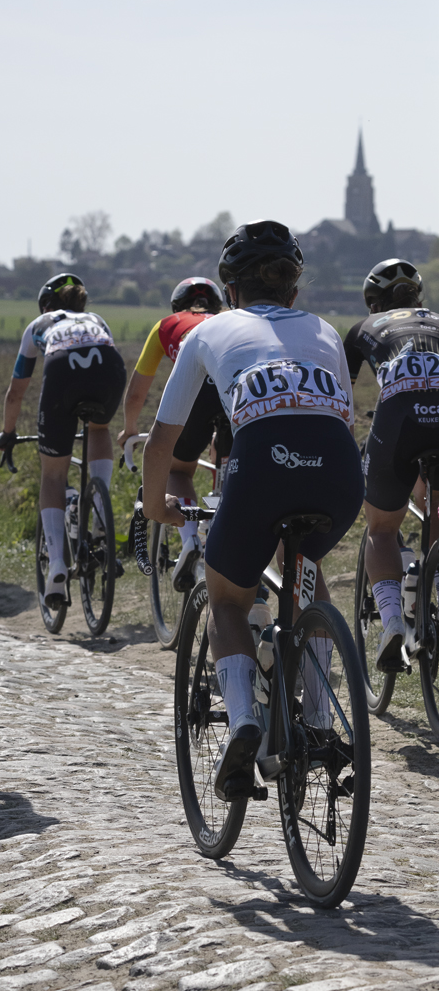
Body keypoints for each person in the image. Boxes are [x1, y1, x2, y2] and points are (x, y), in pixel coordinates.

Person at [142, 220, 363, 798]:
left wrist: (153, 505)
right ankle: (318, 721)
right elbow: (343, 417)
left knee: (227, 599)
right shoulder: (324, 330)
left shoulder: (209, 331)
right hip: (338, 471)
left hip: (263, 462)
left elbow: (162, 440)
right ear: (294, 292)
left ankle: (242, 718)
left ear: (229, 290)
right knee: (306, 576)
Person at [0, 273, 127, 602]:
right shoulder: (97, 319)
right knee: (98, 427)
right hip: (108, 367)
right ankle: (100, 509)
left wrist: (8, 433)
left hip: (62, 371)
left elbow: (15, 393)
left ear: (45, 305)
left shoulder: (38, 325)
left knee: (53, 474)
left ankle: (56, 565)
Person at [343, 259, 437, 667]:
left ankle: (393, 622)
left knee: (381, 529)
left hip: (399, 414)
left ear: (373, 303)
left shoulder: (363, 329)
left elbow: (343, 404)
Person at [118, 277, 225, 587]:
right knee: (235, 468)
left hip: (197, 394)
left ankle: (190, 538)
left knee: (179, 470)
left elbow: (138, 392)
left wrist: (129, 429)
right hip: (234, 392)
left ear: (178, 305)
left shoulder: (167, 324)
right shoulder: (228, 321)